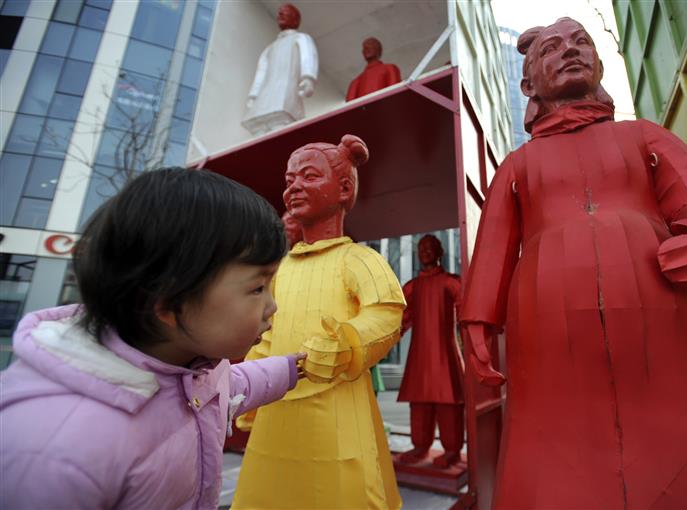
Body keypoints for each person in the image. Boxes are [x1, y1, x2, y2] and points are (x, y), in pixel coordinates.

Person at [461, 17, 687, 509]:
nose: (570, 51)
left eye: (581, 42)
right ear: (528, 85)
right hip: (546, 337)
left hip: (667, 327)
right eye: (552, 49)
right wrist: (477, 320)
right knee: (551, 445)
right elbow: (493, 247)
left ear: (600, 65)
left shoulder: (644, 137)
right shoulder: (517, 166)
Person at [0, 168, 305, 509]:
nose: (272, 306)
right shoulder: (54, 451)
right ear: (170, 303)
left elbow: (232, 387)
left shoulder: (192, 368)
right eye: (258, 288)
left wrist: (290, 368)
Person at [232, 135, 405, 509]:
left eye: (309, 176)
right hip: (277, 412)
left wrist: (347, 343)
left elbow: (386, 314)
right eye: (290, 179)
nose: (294, 187)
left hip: (339, 415)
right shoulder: (281, 269)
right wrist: (249, 389)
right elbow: (267, 334)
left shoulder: (359, 259)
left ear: (344, 189)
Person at [397, 234, 463, 468]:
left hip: (446, 355)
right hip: (420, 357)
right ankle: (420, 447)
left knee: (449, 403)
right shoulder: (412, 287)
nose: (424, 251)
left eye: (429, 247)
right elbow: (399, 319)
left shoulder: (451, 283)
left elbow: (466, 311)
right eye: (421, 248)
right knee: (419, 403)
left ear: (439, 252)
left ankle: (452, 450)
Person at [242, 3, 318, 135]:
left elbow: (308, 56)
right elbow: (261, 73)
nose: (281, 15)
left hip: (286, 89)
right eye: (280, 13)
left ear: (295, 19)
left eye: (286, 12)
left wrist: (308, 78)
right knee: (259, 125)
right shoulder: (270, 48)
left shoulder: (300, 38)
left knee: (281, 122)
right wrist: (253, 95)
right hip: (266, 93)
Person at [346, 37, 402, 101]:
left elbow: (395, 94)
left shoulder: (390, 68)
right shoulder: (356, 82)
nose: (366, 48)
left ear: (378, 49)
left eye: (371, 45)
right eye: (364, 48)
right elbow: (350, 104)